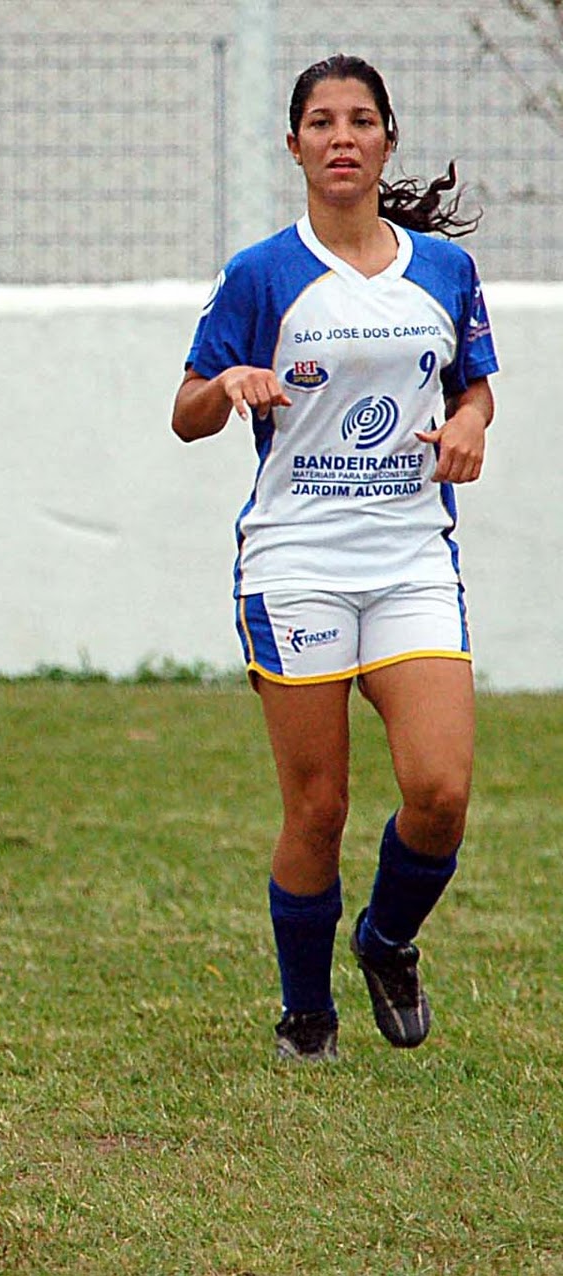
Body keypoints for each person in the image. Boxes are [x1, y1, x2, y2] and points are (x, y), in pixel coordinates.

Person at [172, 54, 497, 1061]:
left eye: (360, 120)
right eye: (321, 121)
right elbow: (183, 414)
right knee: (317, 807)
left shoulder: (441, 270)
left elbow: (474, 388)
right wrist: (228, 381)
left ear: (386, 139)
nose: (341, 136)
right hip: (294, 563)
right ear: (295, 145)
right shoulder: (260, 274)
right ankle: (305, 1016)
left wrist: (471, 425)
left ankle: (388, 940)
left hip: (410, 560)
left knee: (439, 791)